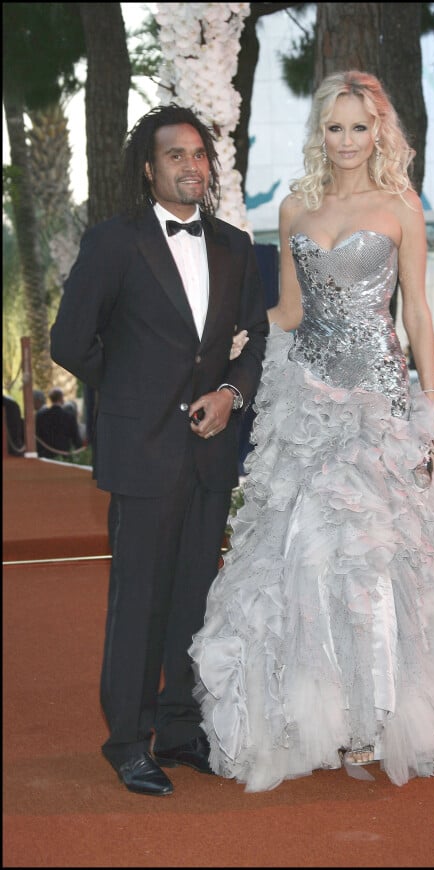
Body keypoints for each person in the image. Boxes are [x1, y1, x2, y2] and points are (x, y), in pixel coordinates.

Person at [189, 71, 434, 793]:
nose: (347, 141)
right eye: (335, 128)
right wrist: (230, 339)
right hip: (307, 404)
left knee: (374, 556)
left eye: (359, 127)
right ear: (320, 133)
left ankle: (379, 715)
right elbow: (293, 312)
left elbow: (418, 314)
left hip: (380, 404)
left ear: (380, 132)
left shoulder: (400, 205)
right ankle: (318, 715)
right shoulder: (297, 206)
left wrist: (430, 402)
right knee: (302, 554)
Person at [50, 103, 269, 796]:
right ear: (148, 169)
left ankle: (179, 730)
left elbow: (254, 339)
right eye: (176, 154)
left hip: (210, 453)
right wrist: (134, 394)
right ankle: (128, 741)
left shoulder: (235, 245)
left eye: (200, 153)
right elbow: (69, 341)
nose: (191, 164)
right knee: (139, 600)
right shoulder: (114, 242)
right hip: (141, 452)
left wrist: (232, 394)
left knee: (194, 599)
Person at [35, 387, 83, 458]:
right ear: (61, 399)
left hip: (45, 456)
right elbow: (75, 438)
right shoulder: (69, 417)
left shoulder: (41, 416)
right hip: (64, 456)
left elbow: (37, 437)